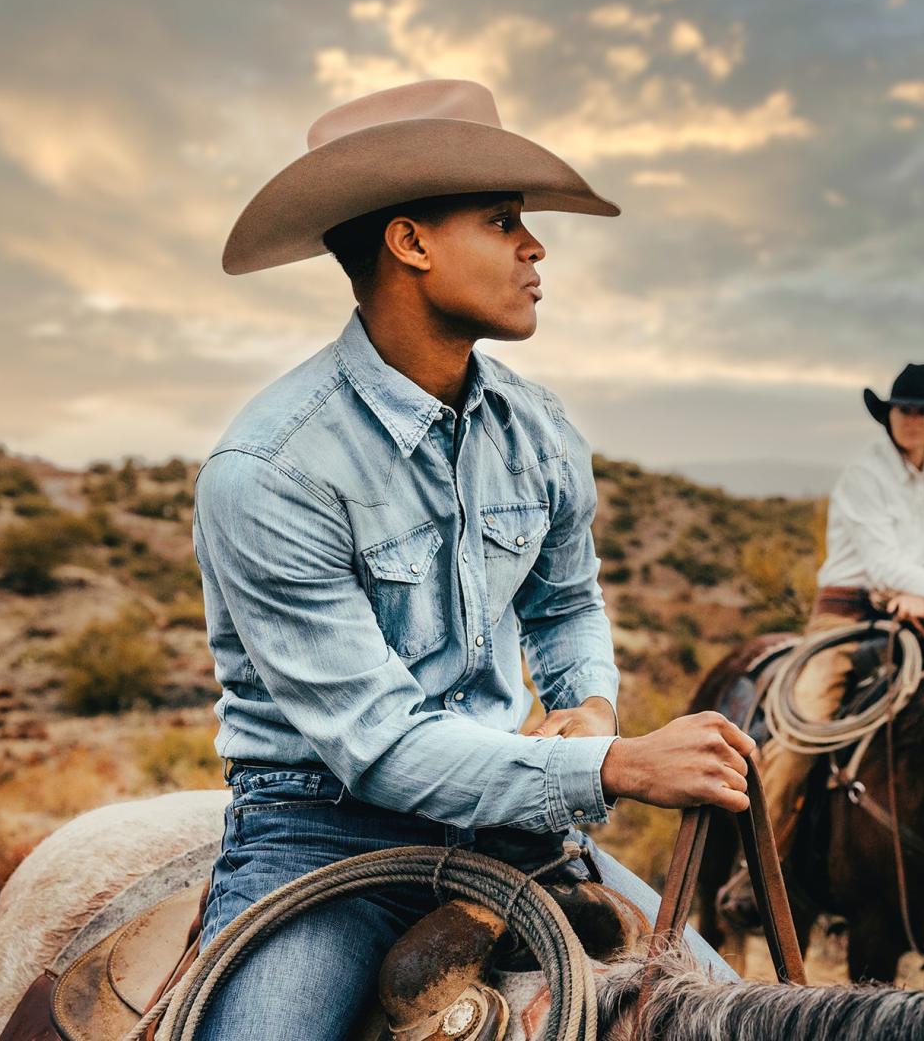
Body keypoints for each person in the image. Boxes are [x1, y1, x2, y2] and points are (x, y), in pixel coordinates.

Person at [192, 79, 755, 1039]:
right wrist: (615, 768)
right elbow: (377, 744)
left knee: (732, 1012)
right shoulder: (271, 472)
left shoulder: (536, 430)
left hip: (514, 834)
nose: (535, 248)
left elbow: (567, 601)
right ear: (409, 242)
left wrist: (591, 706)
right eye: (503, 222)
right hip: (325, 838)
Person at [718, 362, 924, 928]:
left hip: (911, 619)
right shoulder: (864, 474)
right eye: (904, 410)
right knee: (804, 732)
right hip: (844, 619)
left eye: (923, 411)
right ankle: (755, 873)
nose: (914, 420)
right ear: (889, 415)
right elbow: (882, 565)